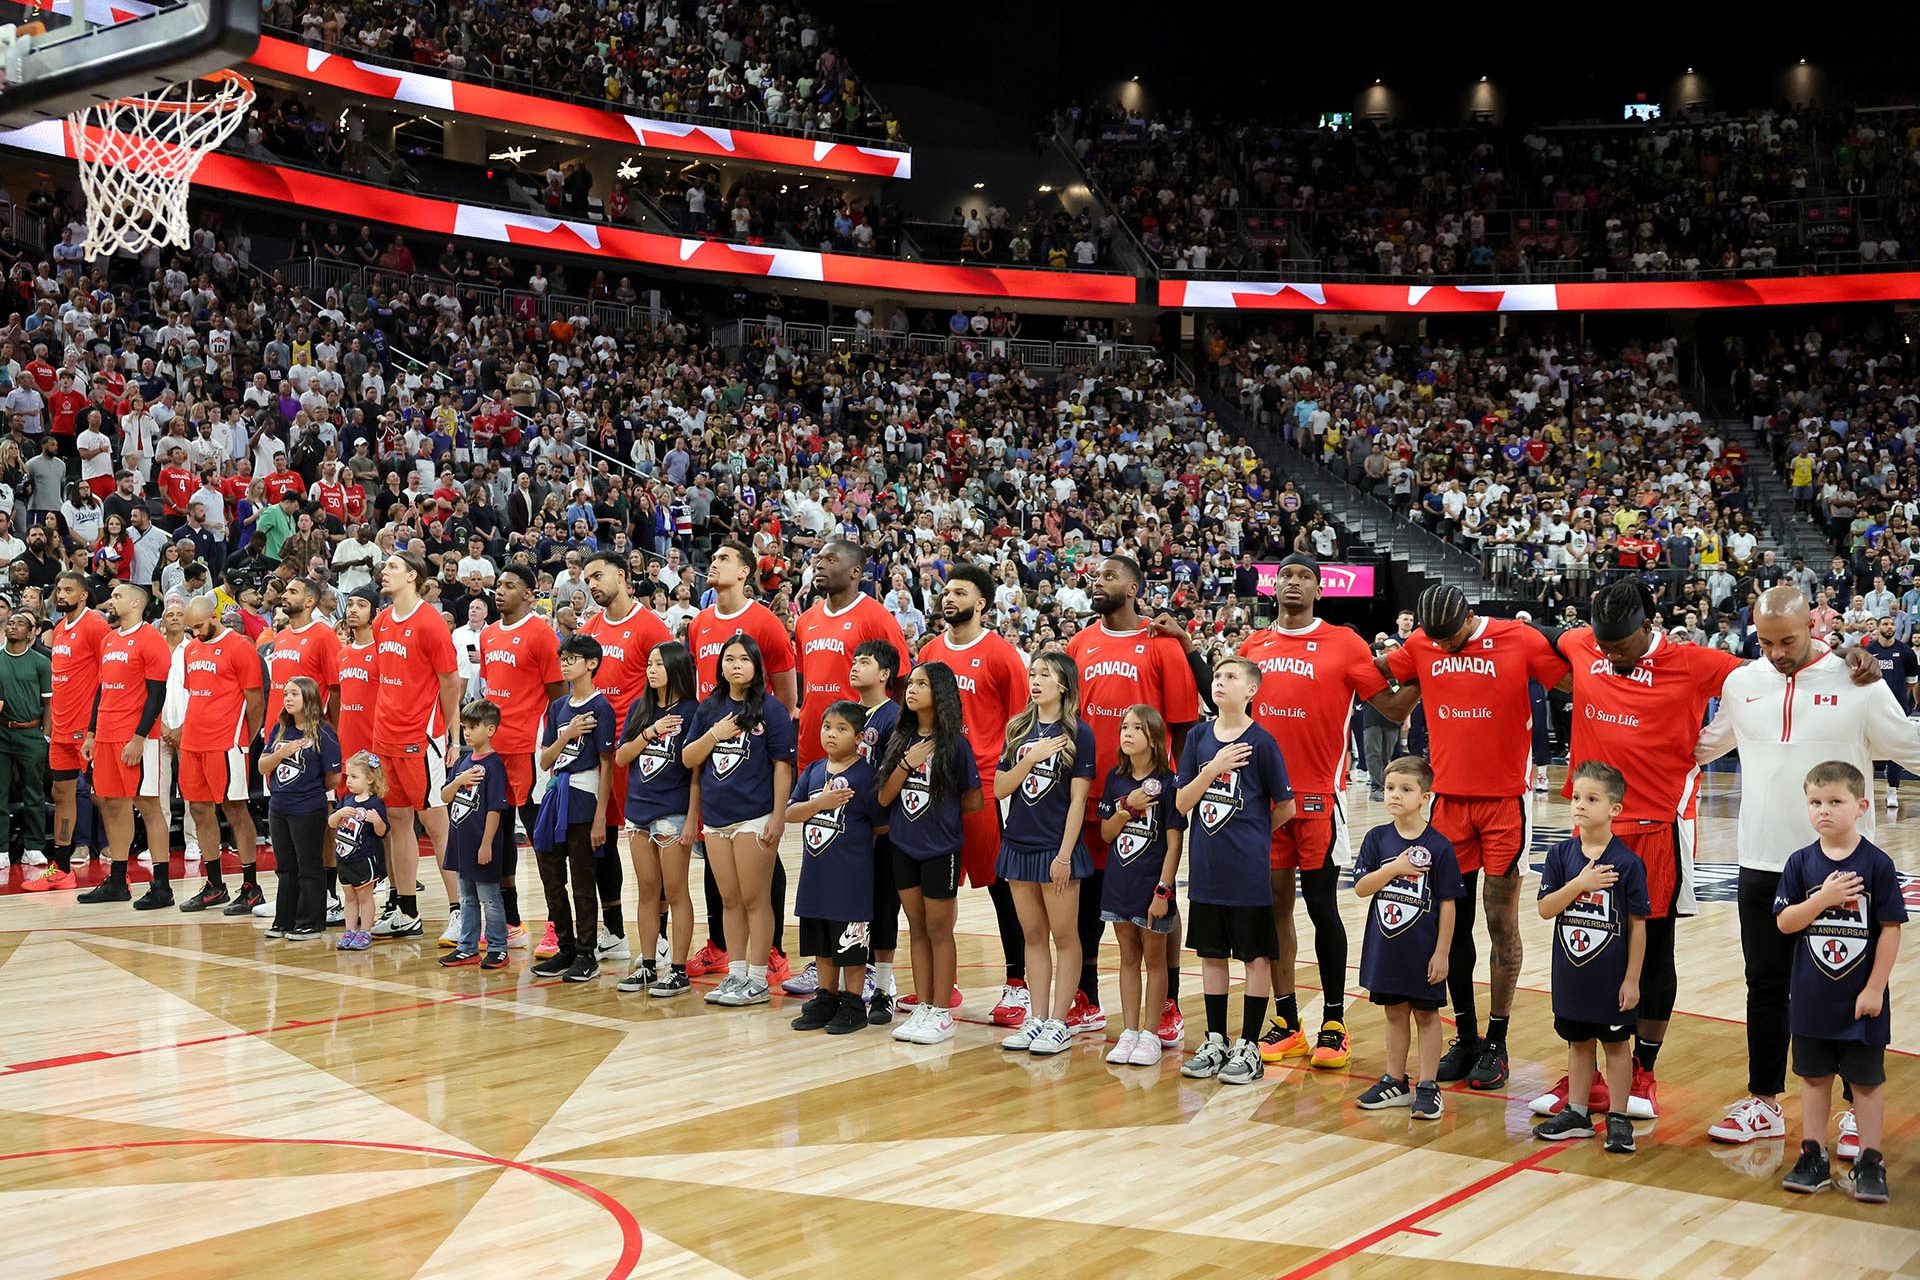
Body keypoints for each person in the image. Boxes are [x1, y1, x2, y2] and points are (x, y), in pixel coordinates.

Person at [1538, 579, 1879, 1122]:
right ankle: (1590, 1071)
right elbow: (1527, 641)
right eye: (1604, 648)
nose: (1611, 657)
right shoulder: (1583, 644)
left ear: (1648, 628)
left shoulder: (1698, 662)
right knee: (1592, 949)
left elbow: (1775, 668)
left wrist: (1845, 657)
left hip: (1657, 826)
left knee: (1652, 950)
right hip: (1594, 823)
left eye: (1621, 648)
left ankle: (1643, 1070)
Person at [1694, 586, 1920, 1148]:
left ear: (1811, 626)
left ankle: (1852, 1109)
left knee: (1848, 986)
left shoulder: (1857, 680)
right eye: (1765, 641)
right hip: (1762, 861)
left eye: (1787, 640)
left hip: (1842, 867)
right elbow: (1706, 746)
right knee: (1763, 985)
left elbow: (1906, 746)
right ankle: (1763, 1101)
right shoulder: (1741, 683)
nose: (1775, 652)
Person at [1383, 584, 1568, 1090]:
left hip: (1505, 803)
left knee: (1499, 921)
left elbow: (1573, 681)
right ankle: (1465, 1035)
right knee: (1452, 924)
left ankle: (1498, 1041)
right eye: (1434, 640)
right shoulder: (1422, 644)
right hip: (1448, 804)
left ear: (1469, 617)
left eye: (1450, 638)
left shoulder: (1519, 638)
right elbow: (1386, 686)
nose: (1442, 648)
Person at [1240, 553, 1416, 1071]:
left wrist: (1427, 667)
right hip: (1263, 801)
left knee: (1322, 909)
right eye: (1285, 576)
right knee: (1275, 912)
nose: (1293, 583)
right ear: (1274, 588)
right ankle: (1287, 1021)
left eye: (1304, 577)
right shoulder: (1254, 646)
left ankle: (1335, 1023)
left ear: (1319, 590)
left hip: (1318, 798)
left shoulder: (1345, 642)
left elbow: (1391, 707)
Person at [1066, 554, 1202, 1043]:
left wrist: (1171, 790)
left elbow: (1184, 723)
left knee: (1155, 899)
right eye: (1095, 576)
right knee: (1091, 901)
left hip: (1148, 793)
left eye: (1109, 576)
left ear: (1134, 587)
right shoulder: (1079, 643)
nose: (1097, 582)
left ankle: (1167, 1003)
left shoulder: (1160, 644)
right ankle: (1086, 996)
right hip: (1092, 792)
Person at [1773, 760, 1904, 1203]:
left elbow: (1890, 928)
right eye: (1815, 802)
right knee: (1812, 1078)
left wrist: (1874, 988)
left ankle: (1870, 1159)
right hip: (1811, 998)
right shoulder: (1800, 863)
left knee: (1866, 1081)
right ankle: (1813, 1153)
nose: (1823, 811)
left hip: (1861, 999)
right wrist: (1825, 898)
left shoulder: (1877, 864)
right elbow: (1786, 922)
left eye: (1835, 802)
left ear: (1861, 806)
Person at [918, 563, 1031, 1027]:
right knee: (937, 886)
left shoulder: (1002, 654)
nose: (948, 598)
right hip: (934, 784)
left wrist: (1012, 779)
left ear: (981, 602)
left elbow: (1022, 722)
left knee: (1000, 886)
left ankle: (1018, 984)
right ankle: (946, 983)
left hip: (985, 785)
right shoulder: (929, 650)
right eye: (945, 591)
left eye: (959, 592)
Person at [1175, 656, 1294, 1084]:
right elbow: (1182, 803)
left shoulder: (1262, 743)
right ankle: (1215, 1039)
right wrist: (1213, 770)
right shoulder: (1197, 738)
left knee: (1255, 957)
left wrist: (1255, 834)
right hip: (1206, 869)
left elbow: (1286, 806)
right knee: (1211, 956)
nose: (1220, 682)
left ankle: (1248, 1045)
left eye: (1231, 677)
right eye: (1218, 676)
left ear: (1251, 691)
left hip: (1247, 871)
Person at [686, 540, 798, 983]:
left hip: (754, 751)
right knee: (721, 871)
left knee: (760, 866)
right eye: (712, 558)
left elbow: (787, 696)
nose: (713, 562)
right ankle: (722, 949)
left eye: (723, 558)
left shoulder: (764, 622)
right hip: (711, 752)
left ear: (746, 572)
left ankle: (769, 952)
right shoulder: (699, 625)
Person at [1532, 762, 1647, 1155]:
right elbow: (1546, 909)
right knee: (1577, 1043)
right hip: (1571, 974)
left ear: (1615, 809)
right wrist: (1579, 884)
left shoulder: (1628, 863)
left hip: (1611, 977)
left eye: (1592, 798)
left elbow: (1638, 926)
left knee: (1616, 1047)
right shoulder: (1561, 856)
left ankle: (1618, 1117)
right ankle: (1578, 1113)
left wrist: (1632, 979)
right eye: (1577, 797)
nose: (1580, 805)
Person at [993, 651, 1097, 1057]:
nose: (1035, 681)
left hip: (1057, 848)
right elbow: (1001, 788)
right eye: (1032, 673)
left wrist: (1065, 855)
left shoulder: (1079, 733)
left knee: (1065, 937)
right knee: (1032, 937)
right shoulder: (1018, 728)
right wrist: (1031, 759)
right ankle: (1036, 1017)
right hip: (1018, 845)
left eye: (1045, 675)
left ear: (1063, 685)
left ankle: (1058, 1021)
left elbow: (1078, 802)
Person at [574, 552, 672, 970]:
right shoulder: (589, 629)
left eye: (598, 575)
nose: (592, 584)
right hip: (599, 754)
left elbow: (671, 686)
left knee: (652, 841)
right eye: (587, 578)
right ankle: (613, 930)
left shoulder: (650, 625)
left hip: (640, 753)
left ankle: (662, 937)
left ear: (622, 576)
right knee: (603, 840)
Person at [876, 662, 982, 1046]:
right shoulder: (900, 739)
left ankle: (941, 1010)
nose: (912, 689)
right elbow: (884, 797)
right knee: (916, 928)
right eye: (911, 682)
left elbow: (973, 800)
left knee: (940, 930)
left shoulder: (956, 744)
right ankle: (923, 1005)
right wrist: (907, 764)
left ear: (940, 693)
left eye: (922, 683)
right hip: (903, 846)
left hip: (941, 848)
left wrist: (942, 817)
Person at [369, 550, 461, 939]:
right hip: (384, 736)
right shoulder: (382, 621)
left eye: (391, 566)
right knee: (397, 823)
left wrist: (451, 736)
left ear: (412, 576)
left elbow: (451, 683)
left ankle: (461, 911)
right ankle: (407, 910)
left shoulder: (430, 623)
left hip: (420, 740)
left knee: (437, 825)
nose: (383, 571)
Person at [785, 700, 882, 1036]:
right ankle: (826, 997)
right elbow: (790, 812)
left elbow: (880, 826)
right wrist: (820, 804)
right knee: (822, 945)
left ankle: (853, 1003)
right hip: (816, 877)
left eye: (841, 729)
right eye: (827, 726)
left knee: (850, 946)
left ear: (858, 738)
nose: (831, 734)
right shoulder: (812, 771)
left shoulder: (867, 776)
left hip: (851, 879)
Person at [1096, 704, 1185, 1068]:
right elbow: (1105, 833)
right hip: (1119, 883)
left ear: (1153, 737)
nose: (1127, 733)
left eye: (1136, 728)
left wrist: (1163, 890)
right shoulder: (1115, 779)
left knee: (1155, 958)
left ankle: (1150, 1032)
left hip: (1152, 886)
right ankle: (1129, 1031)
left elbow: (1175, 841)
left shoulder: (1168, 783)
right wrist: (1125, 807)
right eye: (1123, 727)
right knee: (1127, 957)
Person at [478, 564, 561, 952]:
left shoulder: (541, 633)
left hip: (529, 749)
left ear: (529, 594)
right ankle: (510, 922)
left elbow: (558, 694)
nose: (500, 591)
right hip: (494, 751)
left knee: (541, 840)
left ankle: (559, 924)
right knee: (497, 840)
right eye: (499, 585)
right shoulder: (488, 634)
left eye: (510, 586)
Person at [74, 582, 171, 905]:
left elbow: (157, 694)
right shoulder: (108, 640)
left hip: (137, 738)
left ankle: (162, 885)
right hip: (106, 735)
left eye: (117, 596)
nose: (111, 601)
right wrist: (91, 734)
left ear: (136, 603)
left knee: (148, 805)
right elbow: (101, 690)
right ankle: (117, 880)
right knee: (112, 804)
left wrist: (139, 737)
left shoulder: (151, 639)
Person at [612, 639, 698, 996]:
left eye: (659, 664)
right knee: (647, 891)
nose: (651, 670)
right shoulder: (641, 708)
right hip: (638, 812)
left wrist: (694, 818)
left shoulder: (694, 712)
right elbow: (621, 758)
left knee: (676, 891)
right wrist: (651, 732)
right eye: (649, 664)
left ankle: (678, 968)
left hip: (673, 812)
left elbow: (697, 771)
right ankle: (647, 964)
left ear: (677, 668)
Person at [529, 634, 617, 983]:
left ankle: (586, 952)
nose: (564, 663)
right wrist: (568, 735)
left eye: (572, 658)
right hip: (556, 793)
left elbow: (607, 765)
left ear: (591, 663)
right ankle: (564, 947)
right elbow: (545, 758)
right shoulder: (558, 707)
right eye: (562, 657)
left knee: (583, 880)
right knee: (551, 874)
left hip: (584, 794)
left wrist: (600, 817)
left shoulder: (601, 707)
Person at [172, 596, 264, 912]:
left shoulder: (240, 646)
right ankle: (214, 884)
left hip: (226, 744)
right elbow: (194, 697)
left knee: (234, 809)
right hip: (194, 743)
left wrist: (244, 741)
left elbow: (255, 702)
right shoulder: (192, 649)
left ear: (215, 616)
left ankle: (251, 887)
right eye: (190, 628)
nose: (196, 633)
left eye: (199, 626)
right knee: (198, 809)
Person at [31, 571, 111, 891]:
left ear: (82, 595)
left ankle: (119, 869)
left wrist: (94, 728)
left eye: (67, 589)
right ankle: (62, 869)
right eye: (57, 589)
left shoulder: (95, 625)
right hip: (62, 731)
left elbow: (109, 677)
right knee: (61, 793)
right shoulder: (61, 628)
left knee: (105, 797)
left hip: (88, 730)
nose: (60, 594)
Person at [258, 675, 342, 940]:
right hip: (279, 806)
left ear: (308, 697)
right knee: (285, 867)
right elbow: (263, 766)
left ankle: (311, 921)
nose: (288, 699)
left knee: (309, 865)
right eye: (286, 694)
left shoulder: (324, 731)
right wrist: (281, 754)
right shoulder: (280, 729)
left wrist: (311, 790)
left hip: (308, 807)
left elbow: (333, 777)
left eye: (294, 694)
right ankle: (286, 918)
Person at [848, 638, 904, 1023]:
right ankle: (851, 983)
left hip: (883, 830)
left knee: (884, 908)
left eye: (863, 661)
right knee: (853, 908)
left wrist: (878, 824)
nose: (854, 666)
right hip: (850, 828)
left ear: (884, 674)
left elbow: (888, 779)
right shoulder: (848, 713)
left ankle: (884, 987)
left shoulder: (893, 717)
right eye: (853, 660)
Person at [439, 699, 510, 970]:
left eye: (473, 727)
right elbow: (445, 796)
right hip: (460, 842)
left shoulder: (494, 766)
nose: (467, 733)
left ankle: (497, 947)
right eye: (464, 727)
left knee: (490, 898)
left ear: (490, 730)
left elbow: (495, 809)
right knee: (466, 898)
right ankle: (466, 947)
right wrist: (458, 780)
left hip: (482, 844)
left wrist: (487, 844)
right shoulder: (464, 763)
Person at [0, 607, 51, 874]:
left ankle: (33, 847)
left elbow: (49, 702)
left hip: (31, 732)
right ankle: (1, 849)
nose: (12, 626)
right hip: (2, 732)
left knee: (34, 793)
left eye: (20, 623)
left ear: (31, 633)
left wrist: (45, 734)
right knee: (0, 793)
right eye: (10, 622)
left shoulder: (41, 662)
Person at [329, 751, 389, 951]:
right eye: (348, 776)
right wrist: (338, 814)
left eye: (354, 777)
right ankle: (350, 930)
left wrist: (376, 820)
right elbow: (330, 824)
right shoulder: (346, 800)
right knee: (349, 897)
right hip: (344, 857)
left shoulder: (375, 804)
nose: (349, 781)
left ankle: (365, 931)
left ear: (370, 778)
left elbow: (382, 832)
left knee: (364, 897)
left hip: (364, 859)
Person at [1862, 617, 1918, 809]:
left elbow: (1912, 682)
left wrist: (1901, 703)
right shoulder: (1869, 651)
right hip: (1871, 707)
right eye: (1885, 624)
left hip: (1898, 708)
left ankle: (1892, 790)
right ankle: (1865, 791)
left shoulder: (1906, 652)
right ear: (1878, 628)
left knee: (1896, 749)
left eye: (1892, 624)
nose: (1889, 627)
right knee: (1866, 747)